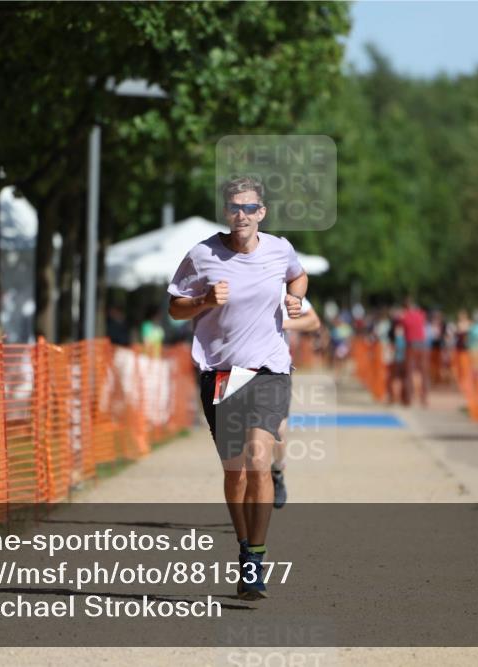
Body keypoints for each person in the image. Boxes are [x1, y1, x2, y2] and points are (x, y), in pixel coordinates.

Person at [167, 176, 307, 600]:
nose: (241, 215)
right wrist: (204, 300)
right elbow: (174, 307)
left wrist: (295, 299)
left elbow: (297, 277)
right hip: (221, 371)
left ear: (261, 212)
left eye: (249, 208)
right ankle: (244, 547)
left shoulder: (280, 249)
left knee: (260, 461)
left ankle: (256, 561)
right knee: (236, 473)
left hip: (268, 369)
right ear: (225, 212)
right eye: (234, 207)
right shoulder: (203, 255)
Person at [272, 284, 321, 510]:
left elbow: (313, 321)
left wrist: (283, 323)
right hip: (240, 369)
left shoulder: (282, 287)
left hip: (276, 370)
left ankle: (278, 471)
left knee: (278, 432)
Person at [402, 297, 428, 407]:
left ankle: (408, 398)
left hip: (411, 344)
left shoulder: (405, 316)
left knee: (409, 372)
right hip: (422, 344)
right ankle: (424, 398)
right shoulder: (421, 314)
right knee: (423, 373)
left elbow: (403, 327)